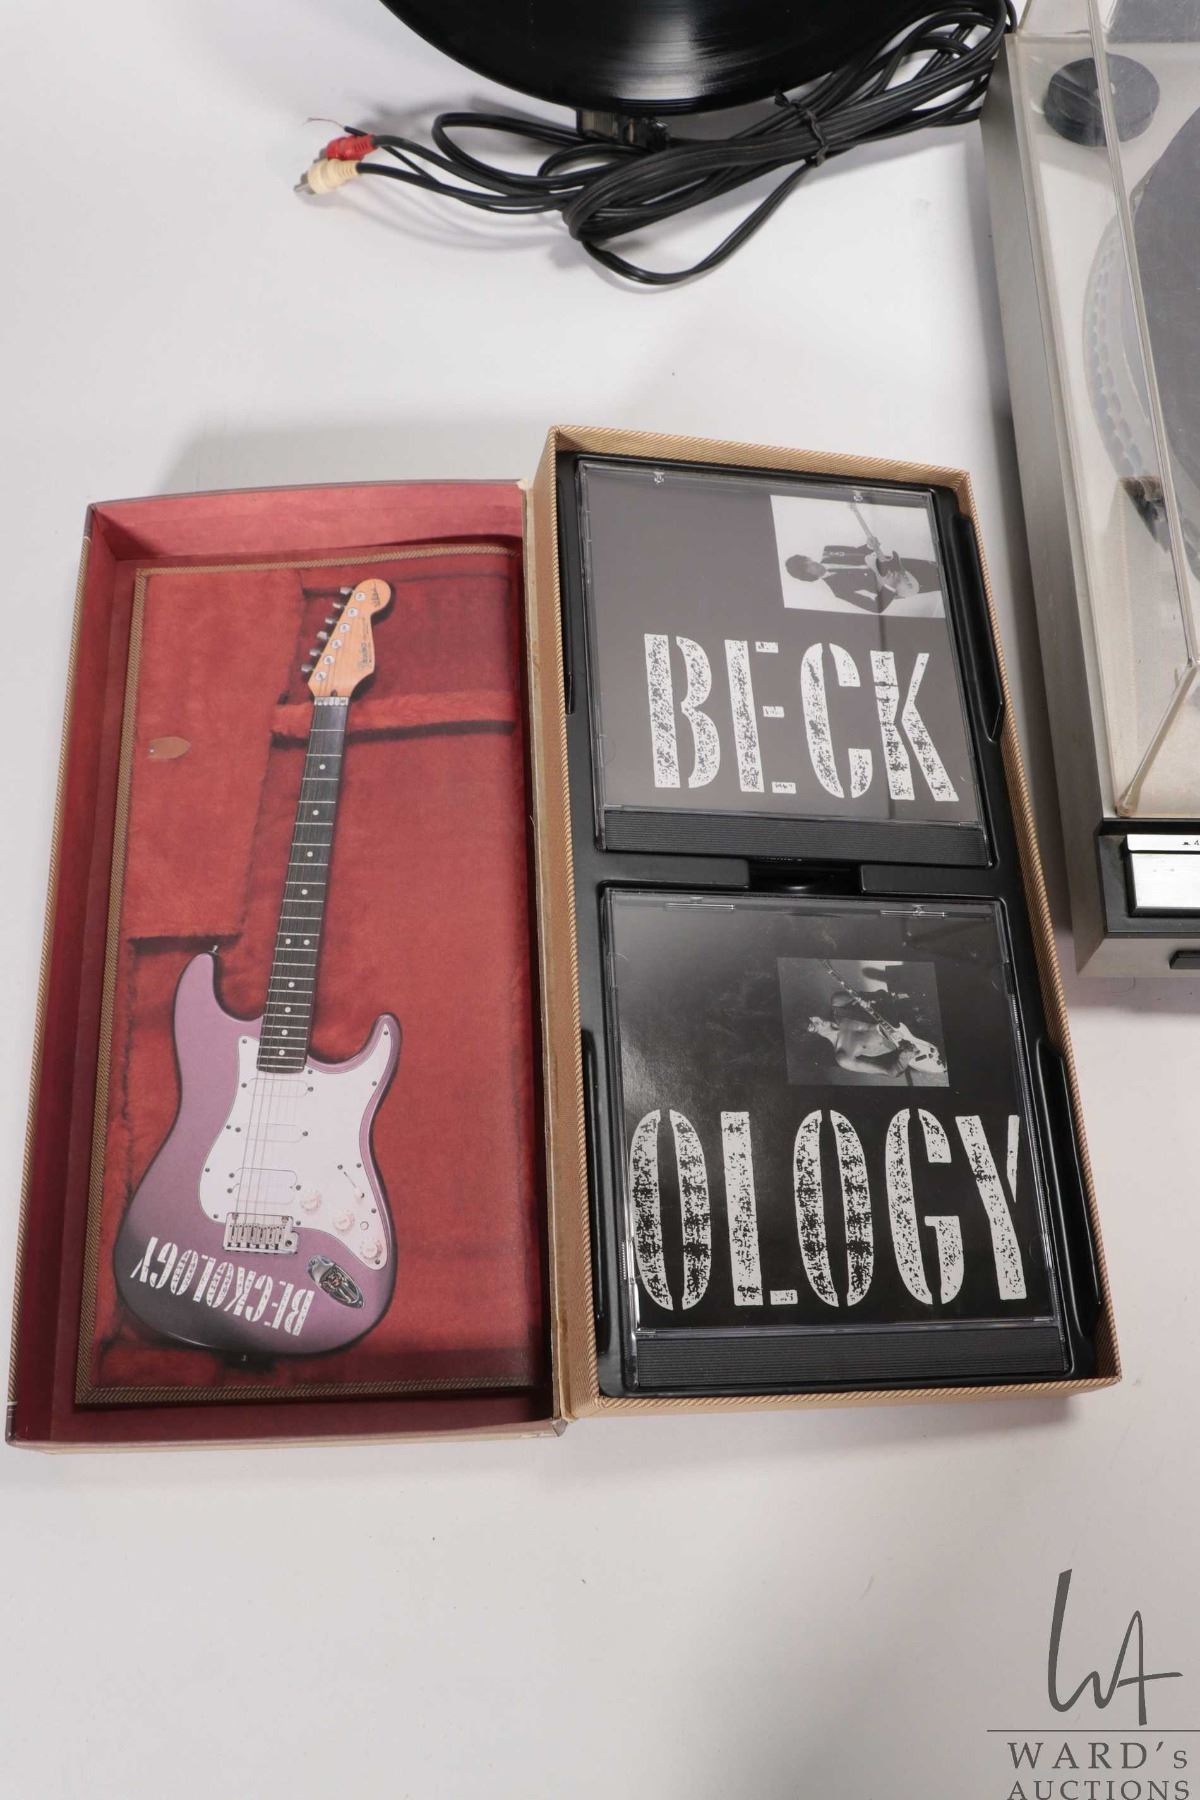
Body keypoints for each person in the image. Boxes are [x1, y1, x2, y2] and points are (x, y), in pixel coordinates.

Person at [805, 965, 946, 1082]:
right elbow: (892, 1071)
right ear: (809, 1035)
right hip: (922, 1046)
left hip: (921, 1013)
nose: (816, 1019)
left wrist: (873, 999)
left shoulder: (839, 1002)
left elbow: (884, 995)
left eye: (811, 1016)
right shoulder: (844, 1057)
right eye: (812, 1025)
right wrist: (904, 1058)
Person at [785, 542, 941, 613]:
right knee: (941, 583)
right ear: (808, 576)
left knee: (938, 566)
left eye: (807, 559)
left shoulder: (829, 551)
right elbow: (875, 607)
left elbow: (857, 551)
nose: (811, 562)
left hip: (897, 562)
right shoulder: (838, 590)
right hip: (902, 583)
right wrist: (889, 586)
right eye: (807, 566)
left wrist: (869, 546)